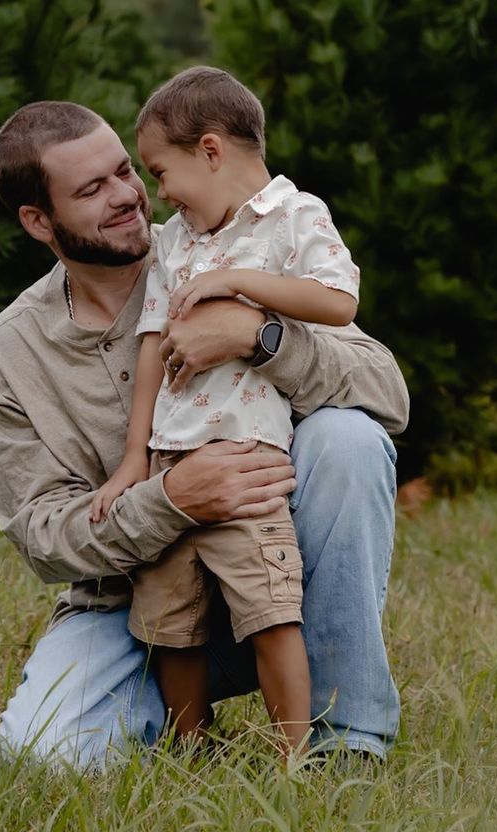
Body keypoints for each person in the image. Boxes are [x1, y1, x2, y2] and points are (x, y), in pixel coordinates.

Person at [0, 98, 407, 770]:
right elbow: (44, 536)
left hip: (272, 557)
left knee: (348, 439)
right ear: (38, 219)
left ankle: (346, 739)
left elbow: (386, 393)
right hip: (130, 610)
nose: (128, 196)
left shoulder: (225, 245)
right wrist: (171, 497)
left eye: (126, 171)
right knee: (42, 755)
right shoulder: (10, 355)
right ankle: (182, 735)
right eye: (92, 189)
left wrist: (260, 337)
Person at [89, 66, 361, 756]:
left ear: (210, 150)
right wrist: (133, 462)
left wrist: (239, 283)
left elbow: (339, 301)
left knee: (271, 610)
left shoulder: (296, 217)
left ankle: (292, 755)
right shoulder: (174, 239)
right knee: (168, 621)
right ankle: (192, 746)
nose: (158, 193)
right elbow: (153, 343)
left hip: (247, 461)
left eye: (160, 171)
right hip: (171, 461)